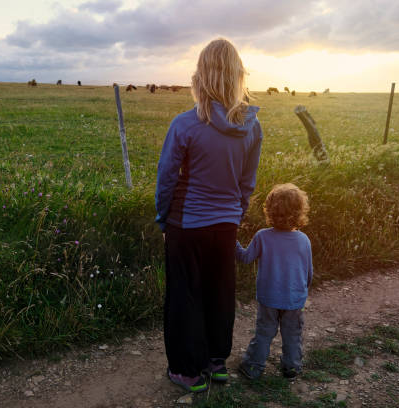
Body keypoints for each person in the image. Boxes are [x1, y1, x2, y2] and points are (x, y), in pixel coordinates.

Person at [155, 38, 263, 392]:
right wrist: (236, 212)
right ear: (237, 77)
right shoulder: (252, 126)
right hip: (226, 223)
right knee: (220, 292)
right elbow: (247, 182)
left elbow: (167, 177)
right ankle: (216, 363)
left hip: (186, 224)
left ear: (200, 76)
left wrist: (163, 219)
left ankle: (187, 371)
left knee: (185, 295)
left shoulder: (185, 124)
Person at [236, 183, 313, 380]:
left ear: (269, 210)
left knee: (264, 333)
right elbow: (308, 272)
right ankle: (292, 368)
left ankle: (253, 367)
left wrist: (230, 239)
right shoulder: (304, 240)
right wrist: (302, 291)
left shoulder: (263, 236)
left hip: (269, 297)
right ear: (300, 211)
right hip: (295, 299)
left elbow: (245, 257)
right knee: (292, 335)